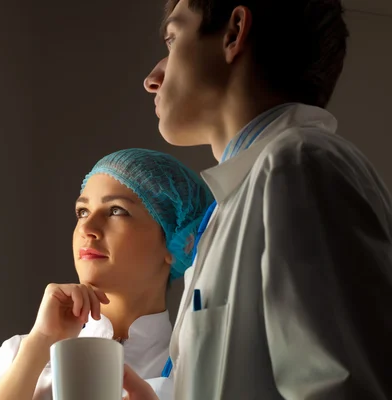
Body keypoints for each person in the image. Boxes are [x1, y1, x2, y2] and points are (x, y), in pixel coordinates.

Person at [121, 0, 392, 399]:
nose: (152, 78)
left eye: (173, 38)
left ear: (233, 33)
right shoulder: (234, 202)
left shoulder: (300, 164)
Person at [0, 148, 213, 400]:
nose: (87, 228)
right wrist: (40, 343)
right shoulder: (19, 355)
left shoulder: (200, 372)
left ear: (177, 240)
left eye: (116, 210)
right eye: (82, 212)